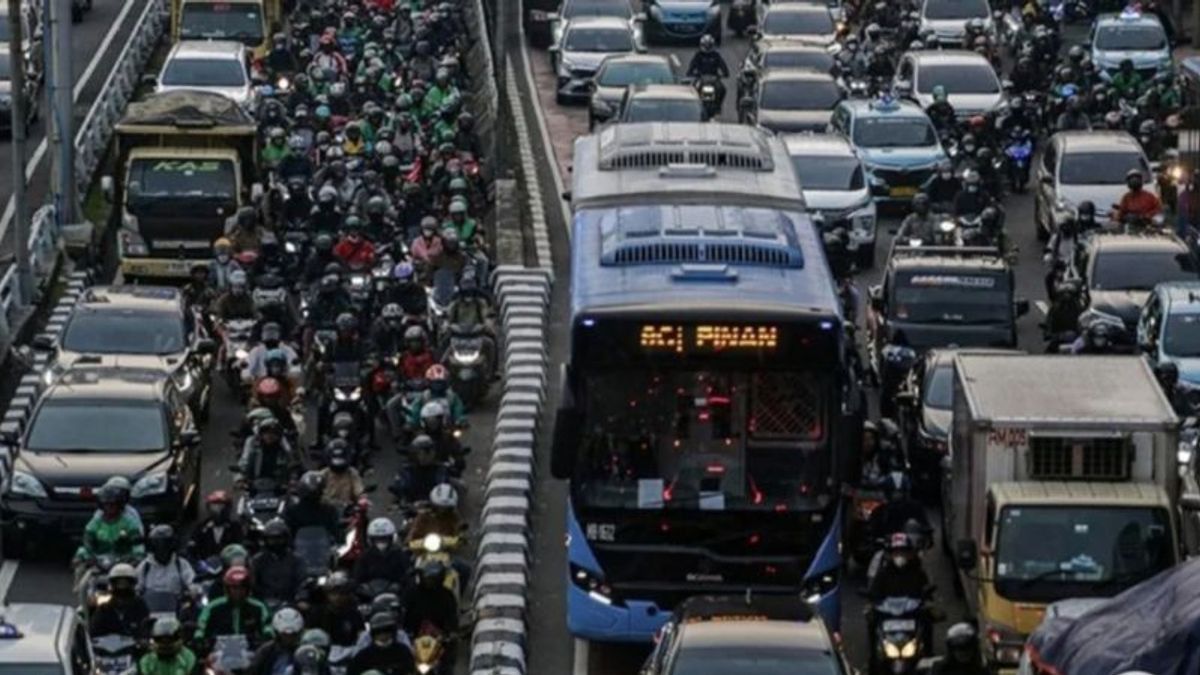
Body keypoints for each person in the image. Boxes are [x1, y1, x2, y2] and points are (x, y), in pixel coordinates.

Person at [195, 566, 273, 650]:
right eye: (234, 588)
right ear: (227, 588)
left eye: (242, 587)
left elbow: (267, 623)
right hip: (219, 652)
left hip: (250, 652)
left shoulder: (258, 607)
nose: (238, 591)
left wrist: (267, 633)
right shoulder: (213, 607)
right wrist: (199, 636)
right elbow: (202, 624)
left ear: (248, 589)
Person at [74, 483, 144, 569]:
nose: (109, 507)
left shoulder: (130, 522)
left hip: (124, 561)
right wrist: (88, 557)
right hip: (98, 561)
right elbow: (87, 541)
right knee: (80, 561)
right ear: (101, 505)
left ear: (120, 504)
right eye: (106, 504)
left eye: (113, 504)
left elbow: (137, 544)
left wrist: (136, 557)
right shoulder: (95, 523)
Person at [136, 524, 197, 608]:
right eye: (158, 543)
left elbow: (192, 582)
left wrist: (193, 591)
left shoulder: (181, 564)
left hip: (176, 610)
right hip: (150, 610)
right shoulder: (145, 566)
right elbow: (137, 588)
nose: (162, 548)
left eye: (165, 543)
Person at [250, 518, 307, 606]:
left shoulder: (296, 560)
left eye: (279, 538)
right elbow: (253, 585)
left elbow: (302, 583)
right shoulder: (257, 560)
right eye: (272, 539)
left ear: (286, 539)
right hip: (264, 604)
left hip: (290, 603)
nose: (276, 542)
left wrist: (301, 599)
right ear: (266, 540)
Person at [89, 563, 150, 638]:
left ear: (132, 584)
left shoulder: (140, 606)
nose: (122, 587)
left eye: (125, 583)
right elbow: (94, 633)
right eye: (119, 583)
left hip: (135, 648)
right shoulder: (104, 608)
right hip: (107, 648)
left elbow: (146, 630)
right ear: (112, 584)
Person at [390, 435, 452, 506]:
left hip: (437, 509)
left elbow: (447, 487)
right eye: (419, 453)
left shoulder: (441, 469)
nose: (423, 456)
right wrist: (397, 498)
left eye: (427, 452)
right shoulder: (406, 470)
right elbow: (398, 489)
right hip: (412, 510)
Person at [403, 560, 459, 638]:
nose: (429, 582)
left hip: (439, 636)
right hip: (414, 633)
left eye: (432, 579)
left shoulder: (446, 595)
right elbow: (405, 613)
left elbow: (452, 616)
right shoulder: (412, 592)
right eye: (427, 578)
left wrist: (451, 632)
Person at [868, 532, 931, 601]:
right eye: (896, 552)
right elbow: (874, 592)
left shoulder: (918, 573)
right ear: (889, 555)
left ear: (910, 554)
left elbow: (926, 593)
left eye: (903, 552)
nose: (899, 555)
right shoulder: (882, 574)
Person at [352, 518, 412, 590]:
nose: (381, 542)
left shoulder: (400, 555)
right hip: (368, 595)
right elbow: (358, 577)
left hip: (395, 594)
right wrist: (364, 586)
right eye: (377, 539)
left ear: (391, 539)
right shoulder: (364, 556)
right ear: (371, 540)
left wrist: (399, 584)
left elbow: (407, 575)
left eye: (384, 539)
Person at [307, 571, 363, 647]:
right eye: (334, 594)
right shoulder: (318, 613)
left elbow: (360, 636)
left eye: (341, 593)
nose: (337, 597)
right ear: (327, 594)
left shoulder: (353, 614)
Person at [239, 416, 299, 485]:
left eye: (274, 433)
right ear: (261, 434)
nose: (270, 436)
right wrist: (240, 479)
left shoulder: (284, 451)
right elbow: (243, 464)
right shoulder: (253, 449)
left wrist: (293, 480)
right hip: (254, 489)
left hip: (279, 490)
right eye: (266, 433)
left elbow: (293, 466)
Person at [349, 612, 416, 675]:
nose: (383, 635)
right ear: (373, 634)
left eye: (387, 630)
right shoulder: (362, 657)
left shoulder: (403, 651)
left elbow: (411, 670)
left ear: (393, 631)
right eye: (379, 631)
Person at [283, 471, 343, 539]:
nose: (313, 495)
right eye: (311, 493)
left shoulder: (330, 511)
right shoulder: (292, 511)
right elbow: (288, 534)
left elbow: (335, 533)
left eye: (317, 492)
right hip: (299, 547)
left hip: (324, 547)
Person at [191, 490, 246, 561]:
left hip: (229, 565)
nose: (218, 510)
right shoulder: (202, 527)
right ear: (209, 508)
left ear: (228, 508)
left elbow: (240, 548)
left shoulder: (235, 527)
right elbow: (192, 548)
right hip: (205, 566)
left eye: (221, 506)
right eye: (214, 506)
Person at [250, 607, 306, 675]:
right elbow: (253, 670)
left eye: (292, 635)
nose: (288, 639)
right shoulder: (266, 651)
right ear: (277, 632)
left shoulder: (304, 651)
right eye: (284, 635)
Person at [686, 34, 728, 108]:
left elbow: (723, 65)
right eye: (706, 45)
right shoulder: (698, 55)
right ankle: (695, 106)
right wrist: (691, 73)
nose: (707, 47)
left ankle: (718, 105)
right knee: (693, 90)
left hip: (714, 79)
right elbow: (692, 66)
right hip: (700, 78)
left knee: (722, 89)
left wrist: (725, 73)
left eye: (709, 45)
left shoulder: (716, 55)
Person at [319, 441, 366, 506]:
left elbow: (359, 491)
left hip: (347, 510)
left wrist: (362, 499)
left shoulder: (351, 473)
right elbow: (315, 491)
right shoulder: (323, 474)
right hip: (326, 510)